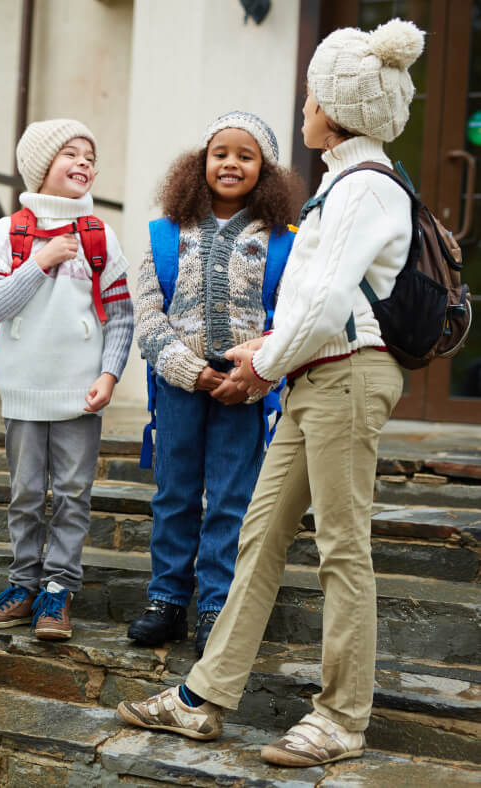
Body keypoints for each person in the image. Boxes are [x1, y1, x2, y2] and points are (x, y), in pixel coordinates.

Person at [117, 18, 423, 768]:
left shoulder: (364, 187)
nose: (305, 110)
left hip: (346, 376)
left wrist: (259, 366)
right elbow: (310, 304)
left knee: (342, 549)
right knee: (258, 534)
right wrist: (271, 350)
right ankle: (202, 699)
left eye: (313, 98)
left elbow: (322, 305)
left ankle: (341, 719)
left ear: (337, 109)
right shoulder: (339, 184)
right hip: (314, 374)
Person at [127, 112, 301, 657]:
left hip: (246, 390)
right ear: (199, 164)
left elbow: (290, 319)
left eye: (245, 156)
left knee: (231, 499)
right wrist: (189, 370)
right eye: (219, 153)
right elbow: (149, 315)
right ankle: (166, 601)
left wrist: (253, 377)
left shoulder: (285, 244)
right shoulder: (163, 234)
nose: (230, 163)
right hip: (180, 387)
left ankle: (216, 606)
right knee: (175, 493)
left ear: (264, 171)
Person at [0, 119, 134, 640]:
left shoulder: (99, 235)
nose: (84, 162)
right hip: (23, 389)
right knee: (23, 492)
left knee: (72, 492)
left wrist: (109, 375)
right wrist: (39, 261)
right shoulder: (9, 231)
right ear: (41, 166)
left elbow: (123, 314)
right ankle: (22, 585)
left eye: (91, 155)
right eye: (71, 153)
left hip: (79, 391)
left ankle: (58, 592)